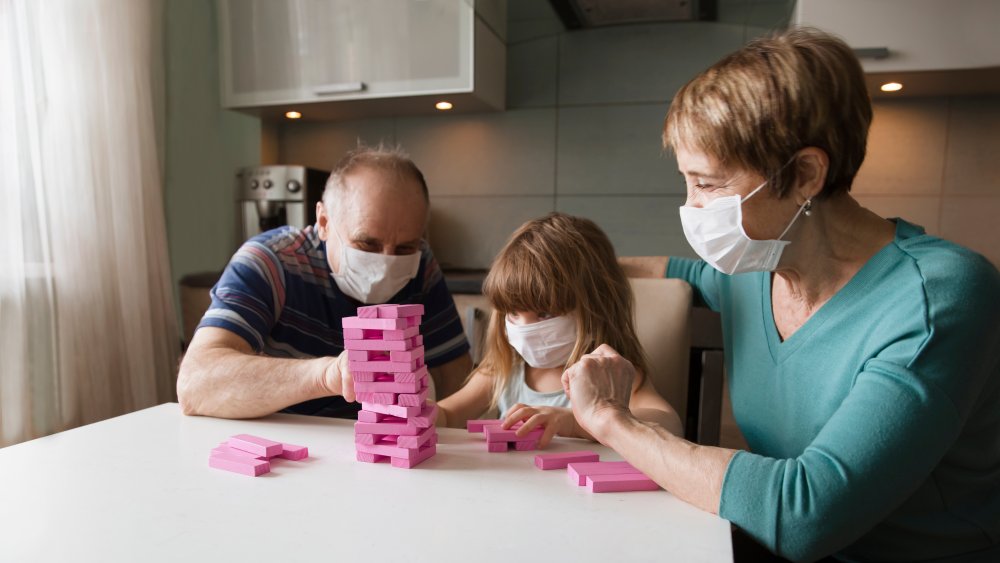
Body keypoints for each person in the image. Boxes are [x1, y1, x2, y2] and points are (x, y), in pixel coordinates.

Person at [563, 28, 1000, 562]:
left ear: (805, 175)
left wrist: (612, 419)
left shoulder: (941, 296)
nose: (690, 209)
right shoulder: (754, 268)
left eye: (708, 184)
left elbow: (804, 514)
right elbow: (677, 270)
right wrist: (571, 265)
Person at [178, 146, 472, 419]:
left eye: (405, 247)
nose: (386, 263)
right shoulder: (270, 263)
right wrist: (328, 375)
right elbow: (196, 384)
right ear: (324, 222)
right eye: (366, 244)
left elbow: (455, 377)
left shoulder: (421, 263)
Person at [436, 212, 682, 445]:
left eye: (544, 314)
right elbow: (448, 414)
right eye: (513, 313)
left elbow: (669, 425)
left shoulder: (611, 375)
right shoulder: (503, 369)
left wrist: (578, 423)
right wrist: (420, 413)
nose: (525, 329)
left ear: (595, 310)